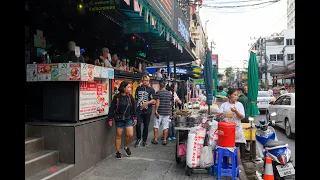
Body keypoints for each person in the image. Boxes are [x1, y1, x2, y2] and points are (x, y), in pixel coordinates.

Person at [107, 80, 137, 159]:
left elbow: (133, 108)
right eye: (128, 87)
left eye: (130, 87)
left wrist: (134, 117)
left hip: (128, 118)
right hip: (119, 118)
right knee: (118, 136)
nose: (130, 89)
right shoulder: (117, 97)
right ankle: (118, 152)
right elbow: (112, 108)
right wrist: (110, 118)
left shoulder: (130, 97)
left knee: (130, 134)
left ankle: (126, 146)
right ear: (123, 88)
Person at [134, 75, 156, 147]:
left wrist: (147, 103)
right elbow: (136, 99)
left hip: (147, 111)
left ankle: (144, 140)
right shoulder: (138, 88)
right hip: (139, 111)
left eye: (146, 80)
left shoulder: (151, 90)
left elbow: (154, 100)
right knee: (138, 125)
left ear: (148, 81)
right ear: (142, 81)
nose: (145, 82)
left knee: (146, 126)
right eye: (143, 80)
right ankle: (138, 139)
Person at [152, 81, 172, 145]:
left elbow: (157, 102)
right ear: (165, 85)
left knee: (156, 126)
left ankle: (155, 139)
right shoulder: (169, 93)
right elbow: (170, 104)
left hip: (159, 112)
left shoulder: (158, 93)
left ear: (159, 86)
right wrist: (170, 111)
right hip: (167, 112)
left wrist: (156, 111)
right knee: (165, 126)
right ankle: (165, 140)